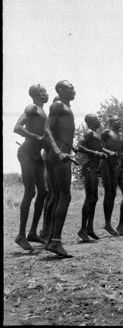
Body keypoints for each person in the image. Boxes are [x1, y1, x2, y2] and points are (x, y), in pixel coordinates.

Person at [13, 84, 49, 251]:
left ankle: (33, 232)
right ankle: (21, 235)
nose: (46, 94)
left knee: (44, 192)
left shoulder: (43, 112)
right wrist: (35, 136)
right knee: (30, 192)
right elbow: (17, 128)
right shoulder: (32, 107)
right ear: (36, 94)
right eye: (43, 92)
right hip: (26, 153)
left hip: (37, 156)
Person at [43, 80, 76, 258]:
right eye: (71, 88)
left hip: (63, 152)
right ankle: (55, 241)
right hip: (60, 154)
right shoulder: (58, 105)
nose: (74, 91)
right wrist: (58, 151)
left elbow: (59, 132)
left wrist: (72, 148)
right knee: (65, 196)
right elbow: (46, 130)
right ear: (62, 90)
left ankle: (49, 238)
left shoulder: (65, 107)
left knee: (57, 196)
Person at [76, 114, 107, 242]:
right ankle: (82, 229)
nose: (99, 121)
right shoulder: (89, 132)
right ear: (92, 121)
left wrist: (105, 153)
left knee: (94, 198)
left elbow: (98, 149)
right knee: (90, 198)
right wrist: (95, 153)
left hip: (94, 168)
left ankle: (89, 228)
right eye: (97, 119)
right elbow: (79, 146)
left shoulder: (97, 134)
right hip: (89, 167)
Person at [100, 115, 123, 236]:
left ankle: (108, 224)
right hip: (105, 163)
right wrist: (108, 151)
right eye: (115, 120)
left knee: (113, 193)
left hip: (115, 165)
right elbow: (97, 145)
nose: (118, 121)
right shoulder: (106, 132)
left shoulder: (121, 135)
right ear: (110, 122)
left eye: (118, 119)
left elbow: (121, 149)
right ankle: (107, 223)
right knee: (108, 192)